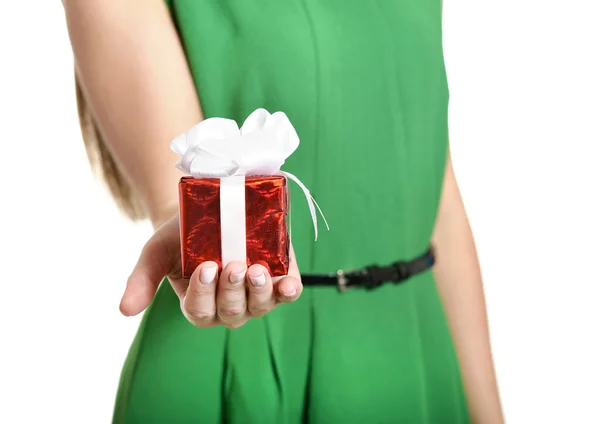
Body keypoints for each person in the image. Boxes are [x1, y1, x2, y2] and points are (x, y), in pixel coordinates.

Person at [63, 0, 503, 422]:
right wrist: (205, 237)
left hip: (421, 357)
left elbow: (435, 192)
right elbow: (179, 184)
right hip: (239, 368)